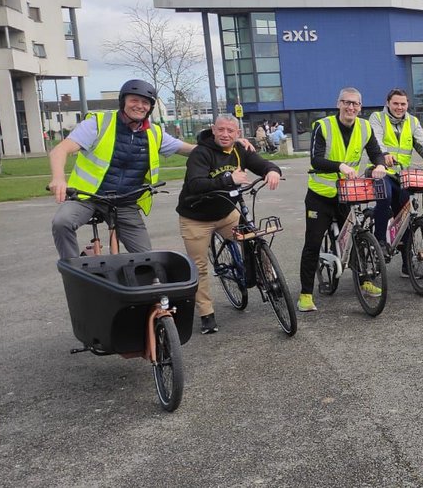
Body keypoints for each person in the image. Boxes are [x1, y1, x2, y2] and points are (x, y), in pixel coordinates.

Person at [48, 79, 195, 260]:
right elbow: (60, 150)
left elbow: (188, 150)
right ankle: (72, 266)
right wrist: (58, 178)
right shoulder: (99, 123)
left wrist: (221, 147)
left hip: (124, 202)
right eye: (134, 100)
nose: (139, 106)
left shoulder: (154, 133)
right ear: (123, 101)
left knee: (147, 259)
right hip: (87, 197)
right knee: (62, 222)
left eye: (145, 102)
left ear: (150, 107)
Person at [176, 115, 281, 334]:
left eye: (230, 131)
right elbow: (195, 184)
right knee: (199, 267)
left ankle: (269, 280)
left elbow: (260, 163)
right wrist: (228, 180)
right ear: (213, 130)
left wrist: (272, 171)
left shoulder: (239, 150)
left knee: (254, 239)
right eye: (221, 129)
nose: (225, 134)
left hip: (227, 213)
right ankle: (206, 313)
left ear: (237, 133)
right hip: (196, 218)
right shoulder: (200, 153)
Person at [297, 88, 388, 312]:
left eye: (355, 104)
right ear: (338, 104)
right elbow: (316, 160)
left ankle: (364, 280)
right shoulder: (323, 126)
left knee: (355, 237)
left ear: (360, 106)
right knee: (313, 243)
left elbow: (376, 152)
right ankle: (305, 294)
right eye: (346, 102)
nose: (351, 107)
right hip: (321, 195)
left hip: (347, 193)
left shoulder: (365, 127)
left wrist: (379, 165)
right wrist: (340, 166)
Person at [368, 89, 423, 278]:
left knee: (406, 215)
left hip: (402, 175)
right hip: (381, 172)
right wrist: (384, 155)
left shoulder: (412, 121)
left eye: (403, 104)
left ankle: (407, 264)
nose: (399, 107)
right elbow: (375, 140)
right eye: (396, 103)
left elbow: (422, 143)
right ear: (388, 103)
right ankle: (379, 242)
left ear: (407, 105)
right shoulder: (377, 118)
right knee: (385, 197)